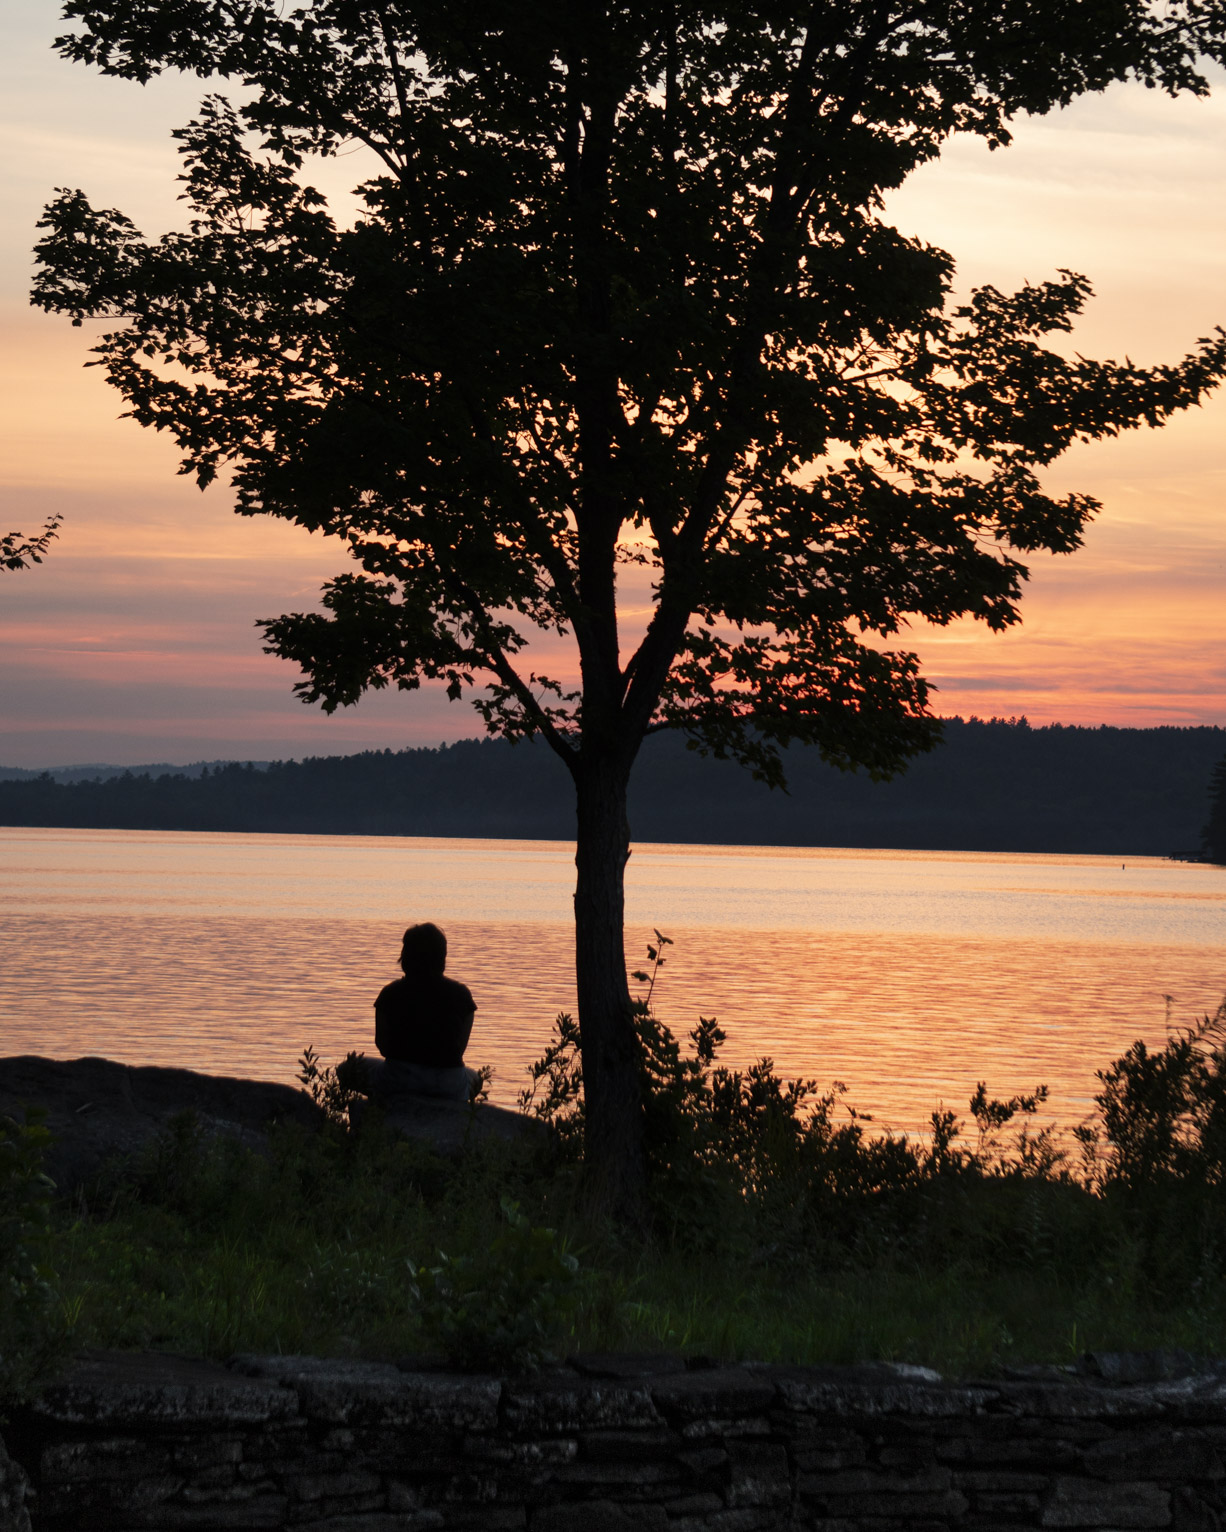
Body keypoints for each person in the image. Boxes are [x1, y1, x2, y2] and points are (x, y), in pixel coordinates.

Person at [367, 922, 479, 1105]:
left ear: (406, 956)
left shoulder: (390, 993)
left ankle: (378, 1115)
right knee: (475, 1077)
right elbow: (459, 1049)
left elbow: (382, 1045)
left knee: (348, 1068)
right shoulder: (461, 995)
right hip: (448, 1086)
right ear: (442, 957)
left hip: (399, 1081)